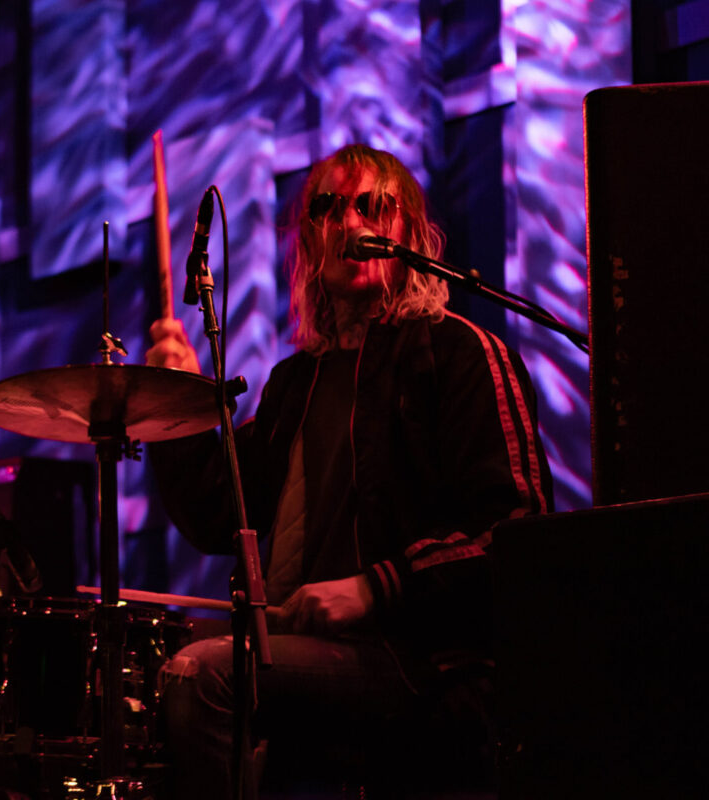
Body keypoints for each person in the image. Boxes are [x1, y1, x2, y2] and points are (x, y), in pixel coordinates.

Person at [145, 144, 553, 798]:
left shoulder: (459, 352)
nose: (350, 221)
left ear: (410, 232)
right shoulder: (293, 384)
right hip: (316, 654)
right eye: (329, 208)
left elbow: (516, 531)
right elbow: (217, 514)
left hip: (422, 661)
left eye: (373, 205)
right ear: (310, 242)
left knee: (204, 677)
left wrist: (374, 587)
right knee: (165, 677)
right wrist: (177, 402)